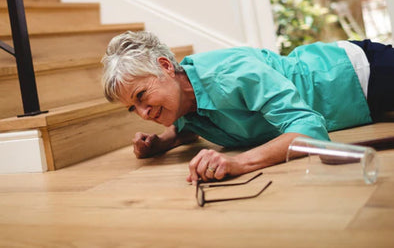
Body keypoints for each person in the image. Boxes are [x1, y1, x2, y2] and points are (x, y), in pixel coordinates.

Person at [101, 31, 394, 184]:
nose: (142, 113)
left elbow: (310, 130)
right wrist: (161, 142)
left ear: (166, 67)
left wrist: (240, 163)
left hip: (355, 73)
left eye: (141, 96)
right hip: (357, 105)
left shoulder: (232, 73)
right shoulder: (182, 101)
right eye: (132, 109)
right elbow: (187, 126)